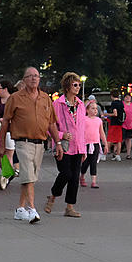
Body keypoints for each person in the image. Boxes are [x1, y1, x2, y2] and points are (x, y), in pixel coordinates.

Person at [0, 67, 59, 223]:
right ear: (24, 79)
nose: (34, 79)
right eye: (30, 76)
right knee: (28, 176)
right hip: (23, 142)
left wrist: (57, 142)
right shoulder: (15, 98)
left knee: (29, 178)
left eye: (36, 76)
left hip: (40, 143)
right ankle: (32, 209)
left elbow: (51, 123)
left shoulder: (46, 98)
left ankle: (20, 208)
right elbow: (5, 121)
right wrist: (1, 146)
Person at [46, 72, 88, 218]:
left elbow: (83, 128)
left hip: (78, 146)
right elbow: (49, 126)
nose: (77, 87)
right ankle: (52, 196)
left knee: (75, 177)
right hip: (62, 146)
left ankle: (69, 207)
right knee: (66, 173)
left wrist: (84, 148)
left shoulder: (81, 105)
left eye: (79, 85)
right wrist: (62, 134)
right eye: (75, 85)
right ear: (67, 86)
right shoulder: (58, 104)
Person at [0, 79, 17, 174]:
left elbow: (16, 115)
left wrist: (5, 119)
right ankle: (6, 172)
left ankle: (8, 174)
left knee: (8, 154)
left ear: (5, 89)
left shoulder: (12, 99)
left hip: (9, 130)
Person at [80, 99, 108, 188]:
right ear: (87, 110)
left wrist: (105, 144)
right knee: (85, 162)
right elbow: (80, 132)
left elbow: (101, 132)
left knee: (93, 162)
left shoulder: (98, 120)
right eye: (92, 108)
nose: (95, 110)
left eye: (96, 108)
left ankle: (93, 181)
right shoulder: (84, 119)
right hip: (86, 144)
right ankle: (82, 176)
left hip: (96, 143)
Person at [107, 91, 124, 160]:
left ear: (112, 96)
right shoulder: (121, 103)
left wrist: (107, 114)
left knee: (109, 139)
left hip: (114, 123)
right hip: (120, 123)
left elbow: (115, 114)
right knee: (118, 140)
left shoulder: (113, 103)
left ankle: (105, 153)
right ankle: (118, 155)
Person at [122, 94, 132, 160]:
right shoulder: (122, 104)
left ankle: (128, 154)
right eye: (126, 97)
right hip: (123, 124)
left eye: (129, 97)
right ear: (124, 98)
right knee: (121, 139)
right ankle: (116, 152)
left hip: (130, 124)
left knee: (129, 139)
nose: (128, 98)